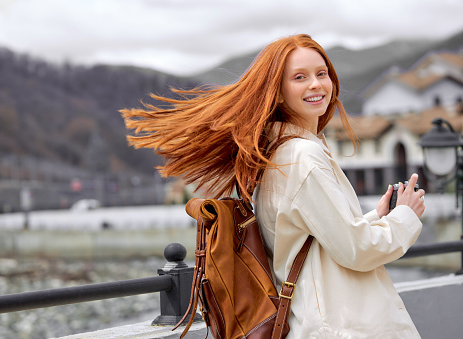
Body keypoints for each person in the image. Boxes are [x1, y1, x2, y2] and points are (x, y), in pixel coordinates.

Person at [121, 34, 425, 338]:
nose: (317, 84)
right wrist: (405, 217)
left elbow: (310, 236)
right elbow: (357, 250)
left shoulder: (277, 153)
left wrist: (374, 218)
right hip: (340, 325)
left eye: (322, 74)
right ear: (277, 93)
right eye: (299, 77)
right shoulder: (303, 156)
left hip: (314, 320)